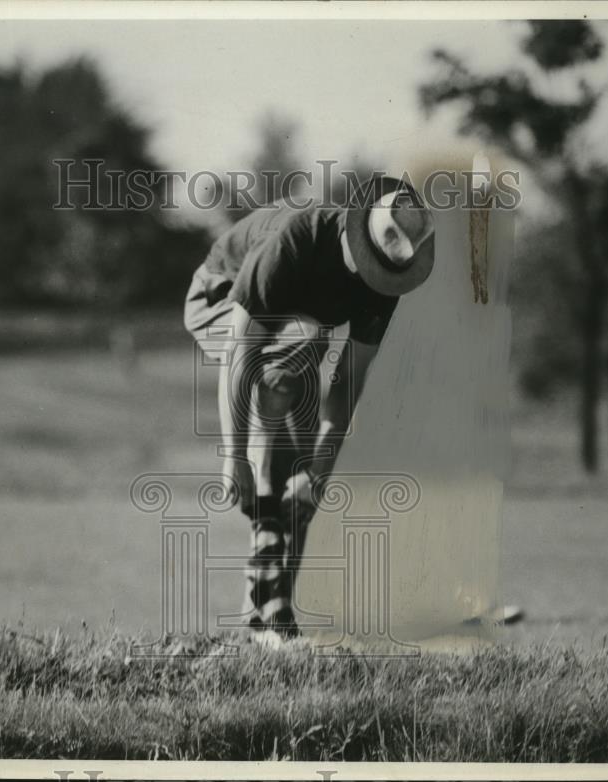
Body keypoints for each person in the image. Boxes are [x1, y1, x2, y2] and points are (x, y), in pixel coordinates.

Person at [183, 176, 435, 644]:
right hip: (217, 298)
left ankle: (262, 622)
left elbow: (348, 385)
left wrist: (317, 473)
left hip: (293, 341)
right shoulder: (296, 243)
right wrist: (233, 457)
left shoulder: (385, 281)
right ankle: (264, 528)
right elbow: (241, 356)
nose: (375, 281)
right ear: (357, 236)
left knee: (301, 480)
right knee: (302, 337)